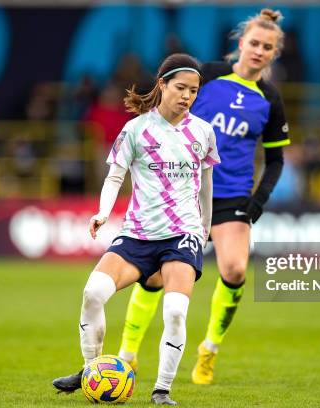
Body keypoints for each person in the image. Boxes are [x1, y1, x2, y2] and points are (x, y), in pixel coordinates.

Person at [117, 8, 290, 385]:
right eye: (254, 43)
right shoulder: (208, 76)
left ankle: (209, 350)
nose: (259, 51)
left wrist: (257, 201)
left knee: (235, 270)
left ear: (274, 54)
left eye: (267, 47)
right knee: (155, 279)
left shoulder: (269, 99)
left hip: (231, 198)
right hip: (182, 192)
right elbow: (166, 111)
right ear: (240, 43)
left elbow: (276, 160)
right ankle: (128, 354)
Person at [52, 53, 220, 406]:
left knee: (174, 310)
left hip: (182, 235)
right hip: (138, 235)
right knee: (92, 293)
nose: (187, 95)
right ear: (162, 85)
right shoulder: (136, 129)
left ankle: (162, 390)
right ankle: (89, 371)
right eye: (180, 87)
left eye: (194, 90)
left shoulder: (203, 132)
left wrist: (205, 227)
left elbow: (206, 183)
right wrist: (101, 212)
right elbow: (116, 174)